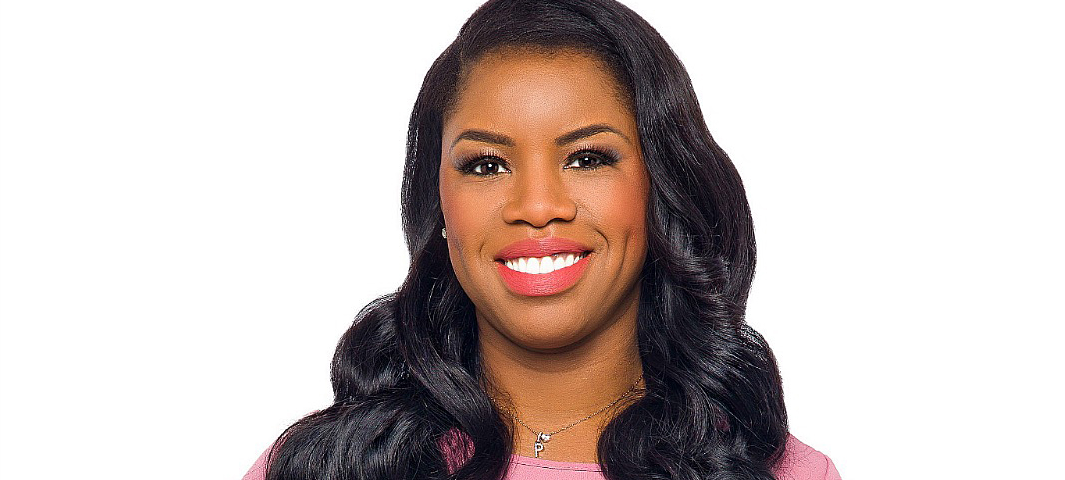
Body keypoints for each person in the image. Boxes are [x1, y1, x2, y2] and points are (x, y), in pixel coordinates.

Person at [245, 0, 840, 478]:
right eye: (486, 165)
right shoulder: (325, 466)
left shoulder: (773, 472)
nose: (536, 208)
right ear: (439, 204)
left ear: (661, 186)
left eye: (587, 158)